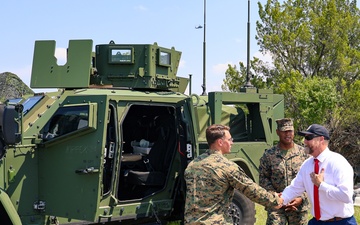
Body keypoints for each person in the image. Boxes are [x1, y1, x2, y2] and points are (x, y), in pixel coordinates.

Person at [184, 124, 283, 225]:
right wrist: (274, 200)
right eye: (230, 139)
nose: (232, 142)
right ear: (220, 142)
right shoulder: (226, 166)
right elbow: (251, 190)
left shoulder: (192, 165)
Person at [281, 124, 357, 224]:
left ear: (321, 139)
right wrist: (280, 199)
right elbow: (295, 188)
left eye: (308, 138)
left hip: (340, 222)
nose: (304, 141)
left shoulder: (338, 162)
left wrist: (321, 185)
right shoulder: (307, 165)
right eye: (305, 138)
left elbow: (346, 196)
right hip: (317, 221)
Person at [259, 118, 310, 225]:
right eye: (284, 131)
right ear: (278, 132)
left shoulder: (304, 154)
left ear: (294, 131)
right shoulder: (269, 155)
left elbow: (310, 180)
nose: (287, 134)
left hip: (298, 207)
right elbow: (263, 179)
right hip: (277, 206)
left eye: (290, 131)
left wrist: (301, 198)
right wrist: (276, 196)